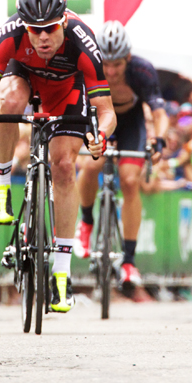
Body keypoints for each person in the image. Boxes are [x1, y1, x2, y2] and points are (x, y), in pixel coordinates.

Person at [0, 0, 116, 313]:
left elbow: (107, 111)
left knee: (63, 165)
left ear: (63, 21)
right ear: (24, 26)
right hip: (23, 77)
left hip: (66, 91)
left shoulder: (83, 41)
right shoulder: (9, 35)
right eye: (35, 31)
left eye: (50, 28)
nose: (43, 37)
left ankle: (61, 274)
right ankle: (1, 185)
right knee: (10, 100)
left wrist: (101, 135)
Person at [74, 21, 168, 287]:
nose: (111, 71)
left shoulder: (142, 71)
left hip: (129, 123)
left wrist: (159, 139)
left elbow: (159, 113)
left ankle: (128, 260)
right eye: (106, 64)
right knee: (91, 166)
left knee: (129, 180)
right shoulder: (87, 66)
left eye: (117, 64)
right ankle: (86, 222)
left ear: (128, 57)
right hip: (97, 119)